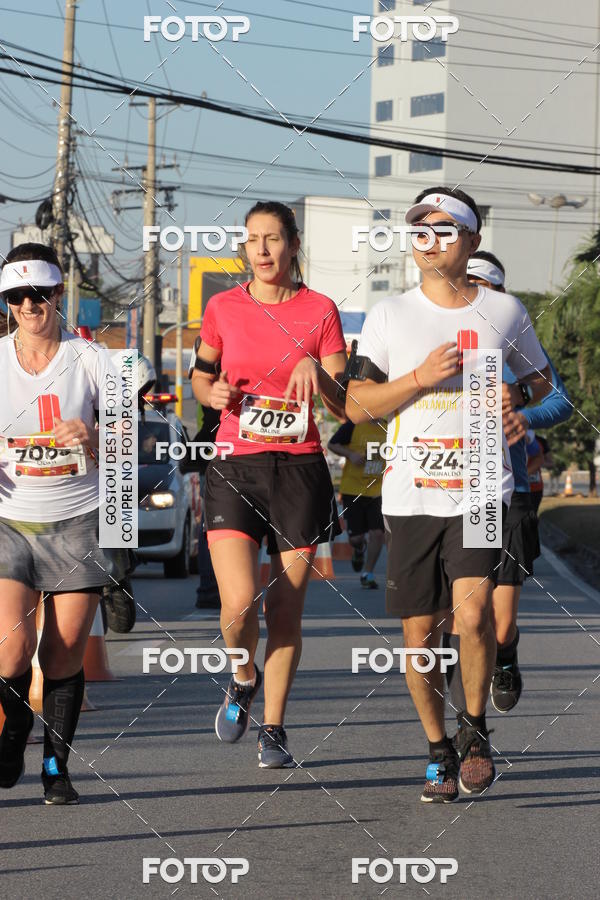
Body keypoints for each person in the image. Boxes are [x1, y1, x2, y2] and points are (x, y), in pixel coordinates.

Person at [346, 187, 552, 803]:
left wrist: (520, 399)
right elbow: (358, 406)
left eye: (444, 230)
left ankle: (476, 731)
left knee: (473, 614)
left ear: (472, 241)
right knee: (420, 638)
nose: (428, 241)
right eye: (419, 231)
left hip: (484, 489)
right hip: (411, 497)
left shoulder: (505, 312)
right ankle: (437, 747)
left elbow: (543, 383)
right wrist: (417, 379)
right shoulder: (389, 315)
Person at [191, 201, 346, 768]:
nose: (261, 249)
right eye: (253, 239)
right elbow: (201, 373)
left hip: (300, 471)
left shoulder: (320, 310)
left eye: (273, 238)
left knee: (285, 611)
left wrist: (319, 373)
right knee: (237, 606)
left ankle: (274, 726)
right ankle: (241, 674)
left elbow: (343, 398)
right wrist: (208, 394)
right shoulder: (223, 307)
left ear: (293, 245)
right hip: (235, 466)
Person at [0, 243, 127, 804]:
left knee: (63, 650)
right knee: (9, 649)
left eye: (39, 295)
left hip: (77, 520)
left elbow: (130, 448)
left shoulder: (96, 360)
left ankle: (56, 767)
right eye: (16, 296)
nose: (29, 306)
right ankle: (13, 726)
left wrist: (96, 438)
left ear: (58, 295)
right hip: (9, 521)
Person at [443, 250, 572, 717]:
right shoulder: (436, 335)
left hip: (509, 489)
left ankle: (507, 655)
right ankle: (466, 718)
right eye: (467, 281)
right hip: (451, 490)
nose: (475, 292)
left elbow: (559, 403)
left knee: (498, 624)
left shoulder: (514, 339)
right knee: (464, 614)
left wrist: (520, 410)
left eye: (486, 286)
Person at [328, 418, 385, 588]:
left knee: (378, 533)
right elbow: (332, 444)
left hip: (380, 489)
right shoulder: (354, 425)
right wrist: (350, 454)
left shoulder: (390, 425)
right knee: (355, 538)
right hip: (353, 488)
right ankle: (359, 549)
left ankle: (368, 573)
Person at [188, 335, 221, 609]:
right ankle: (210, 589)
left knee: (213, 523)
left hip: (215, 443)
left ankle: (212, 589)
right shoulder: (205, 343)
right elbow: (197, 380)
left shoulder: (204, 343)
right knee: (212, 522)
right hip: (214, 443)